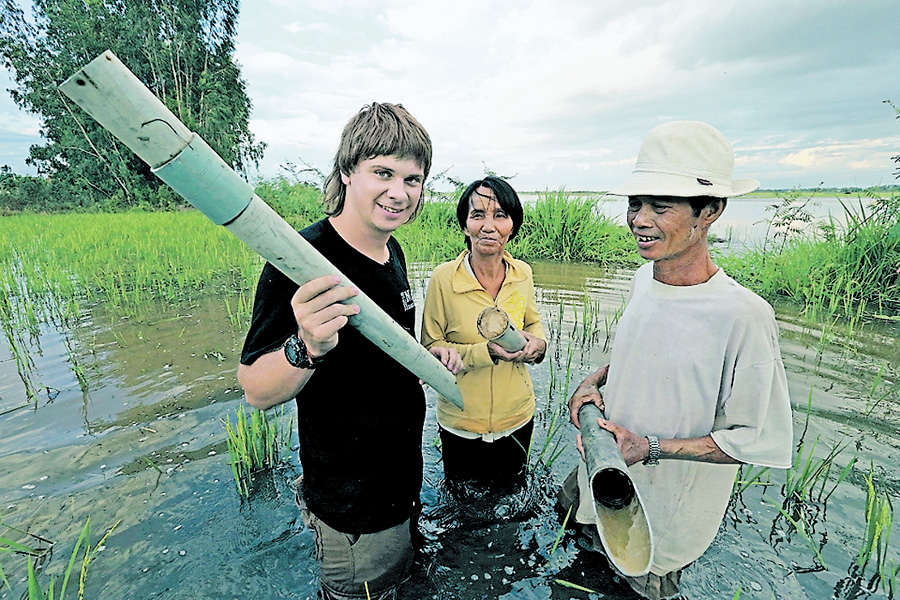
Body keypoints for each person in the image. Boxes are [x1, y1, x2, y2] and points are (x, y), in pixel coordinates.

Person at [560, 121, 793, 599]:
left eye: (660, 206)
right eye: (635, 204)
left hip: (659, 525)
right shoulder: (644, 280)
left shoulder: (743, 316)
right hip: (602, 482)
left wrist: (650, 447)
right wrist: (594, 382)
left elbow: (755, 440)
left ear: (709, 211)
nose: (639, 219)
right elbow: (644, 354)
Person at [238, 102, 462, 600]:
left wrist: (428, 358)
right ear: (346, 170)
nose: (399, 193)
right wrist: (307, 345)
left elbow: (383, 354)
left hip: (400, 484)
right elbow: (254, 388)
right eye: (383, 172)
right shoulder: (300, 259)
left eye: (413, 179)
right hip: (351, 503)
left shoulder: (391, 249)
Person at [421, 176, 547, 487]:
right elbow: (430, 347)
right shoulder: (443, 279)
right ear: (465, 226)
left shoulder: (523, 274)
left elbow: (532, 322)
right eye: (478, 215)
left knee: (512, 497)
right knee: (463, 506)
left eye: (500, 215)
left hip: (518, 416)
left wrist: (539, 344)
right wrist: (484, 352)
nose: (488, 226)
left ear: (512, 226)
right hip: (461, 420)